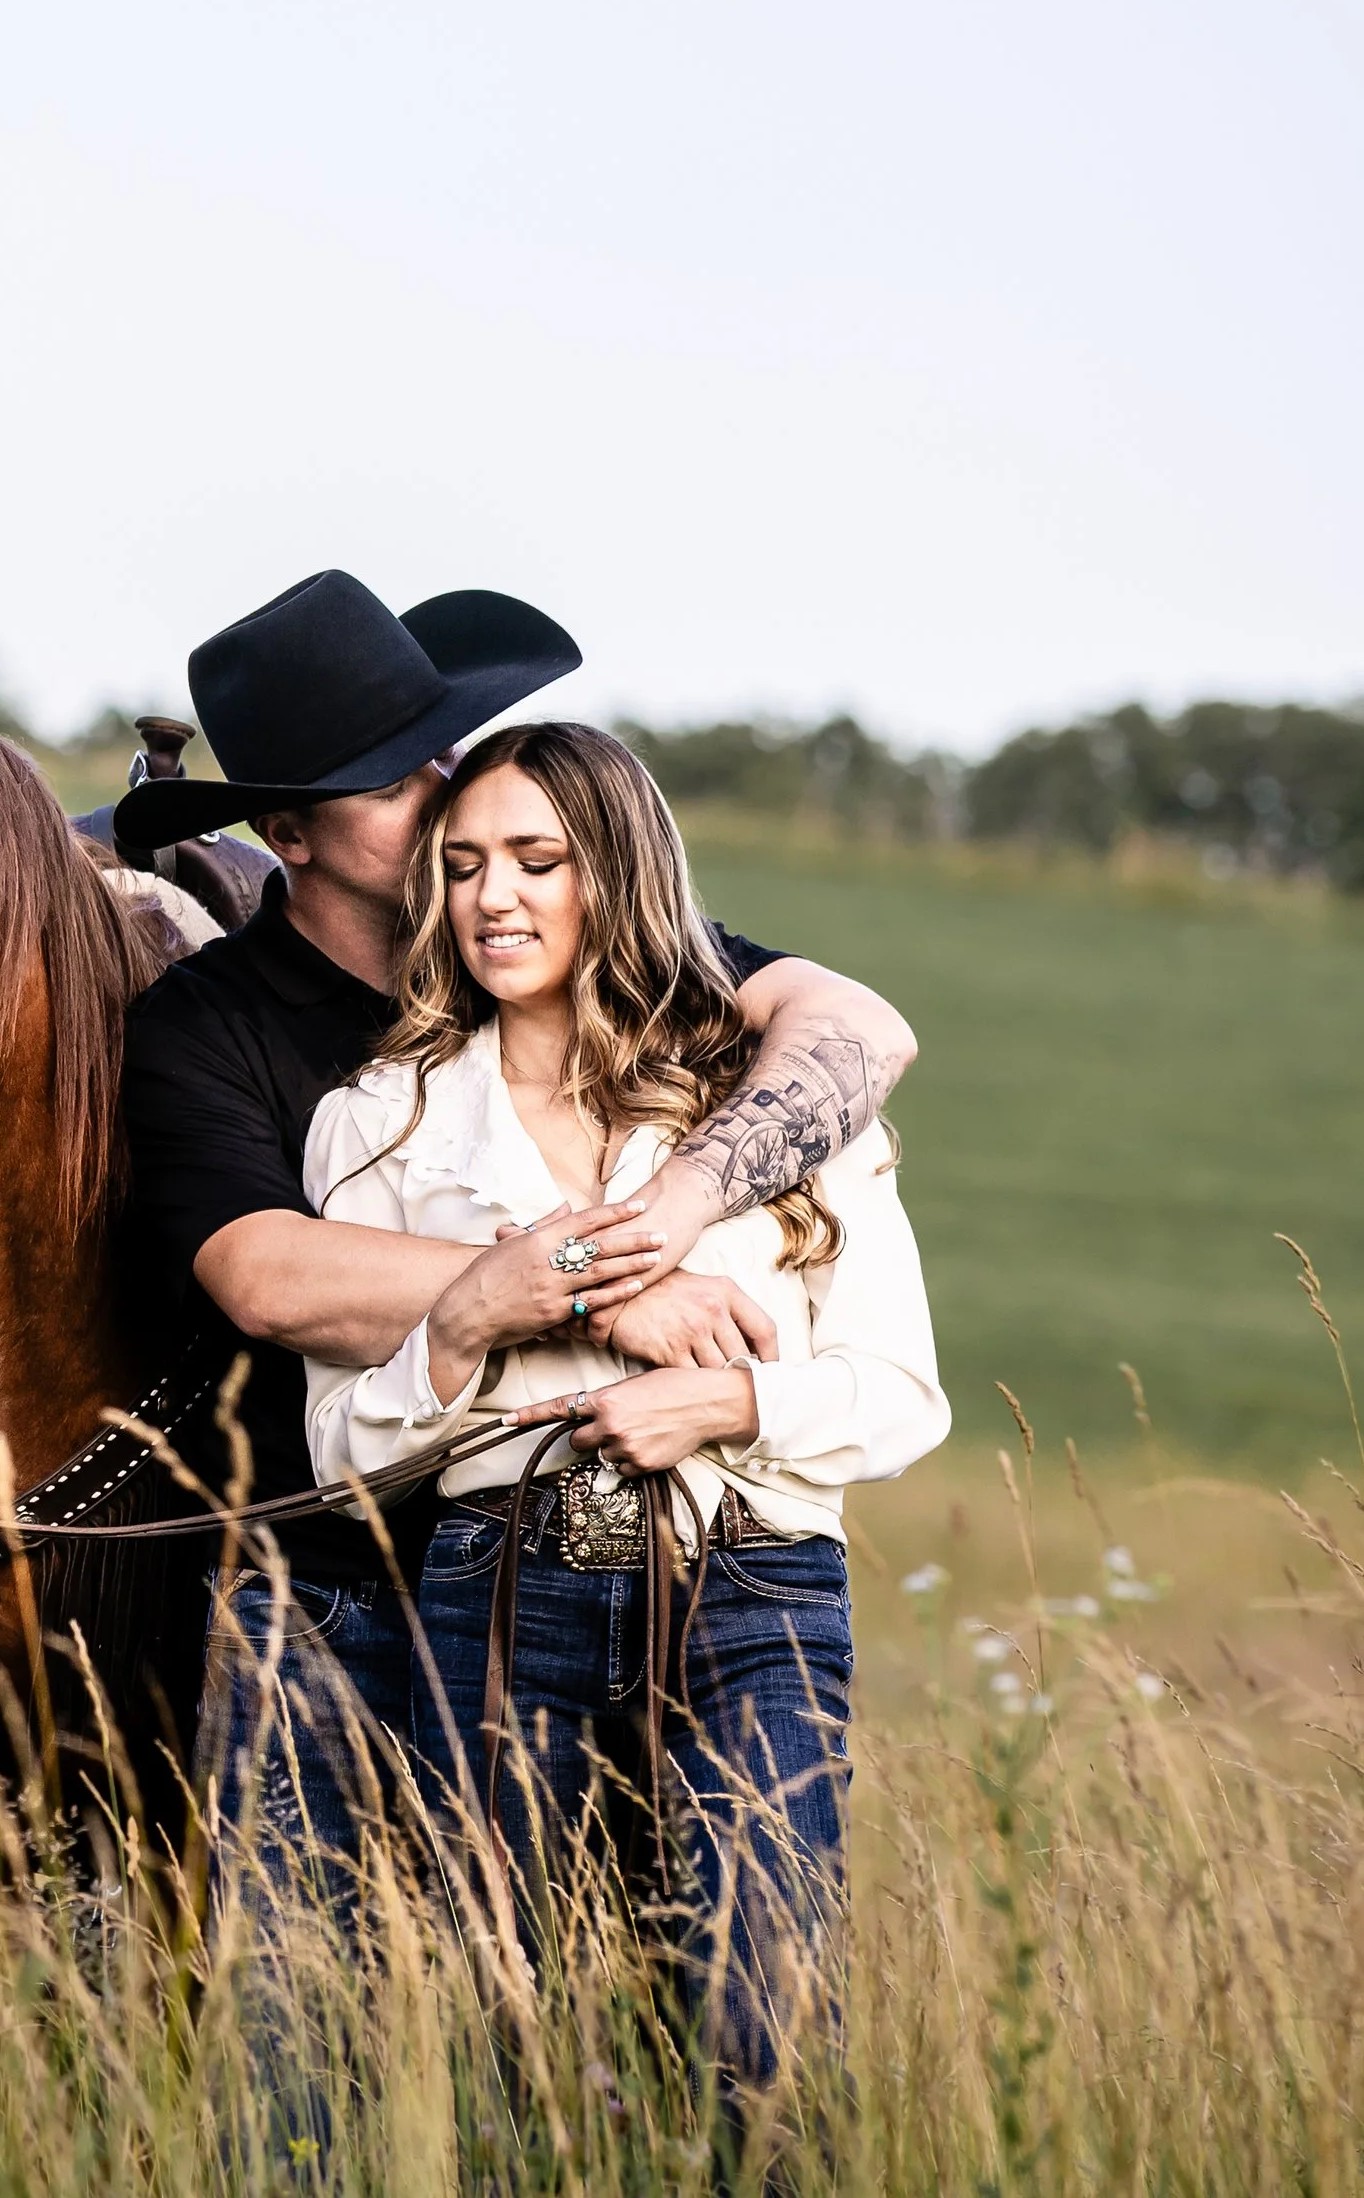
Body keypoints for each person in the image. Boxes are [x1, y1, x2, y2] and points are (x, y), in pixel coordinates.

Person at [115, 573, 918, 1885]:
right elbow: (262, 1273)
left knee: (659, 1991)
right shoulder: (213, 1024)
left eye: (437, 754)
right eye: (392, 784)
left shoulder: (573, 948)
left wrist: (679, 1205)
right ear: (288, 833)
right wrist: (601, 1290)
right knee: (313, 2044)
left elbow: (860, 1033)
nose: (448, 799)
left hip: (588, 1559)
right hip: (334, 1569)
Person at [302, 722, 949, 2098]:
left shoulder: (774, 1109)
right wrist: (472, 1313)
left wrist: (722, 1402)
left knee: (752, 2026)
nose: (494, 899)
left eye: (539, 861)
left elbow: (901, 1396)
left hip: (750, 1592)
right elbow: (341, 1448)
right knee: (495, 2032)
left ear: (620, 874)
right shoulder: (381, 1118)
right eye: (465, 864)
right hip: (492, 1589)